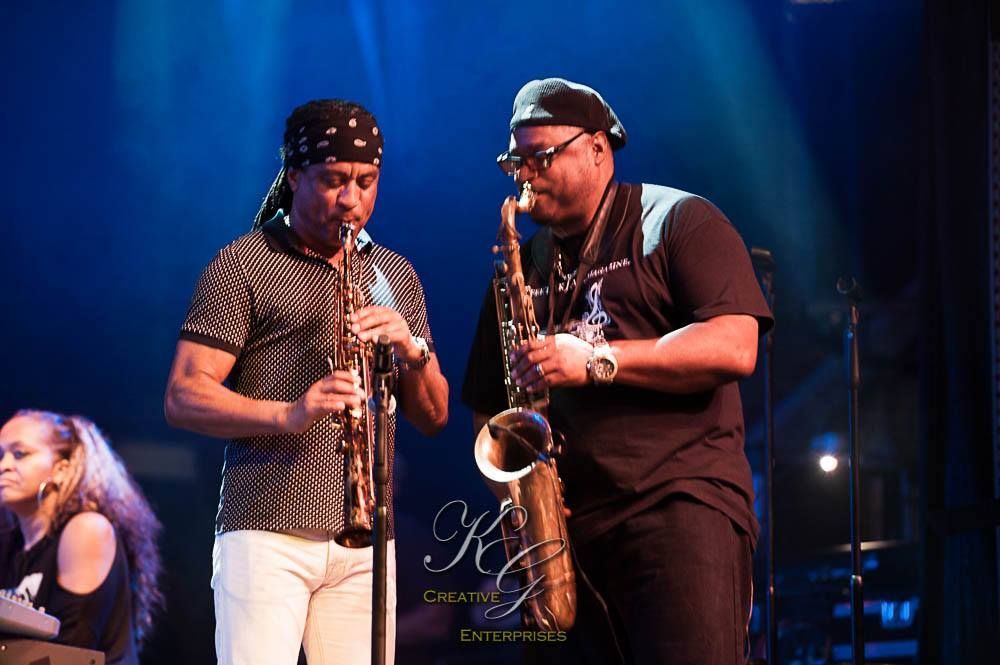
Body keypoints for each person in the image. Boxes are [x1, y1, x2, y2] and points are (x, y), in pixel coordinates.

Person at [462, 78, 774, 665]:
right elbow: (488, 409)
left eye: (541, 158)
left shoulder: (679, 220)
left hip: (678, 511)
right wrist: (527, 506)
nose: (525, 176)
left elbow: (736, 345)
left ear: (598, 149)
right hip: (564, 539)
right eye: (515, 162)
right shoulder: (518, 267)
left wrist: (598, 361)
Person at [164, 98, 449, 665]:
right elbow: (183, 396)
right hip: (266, 531)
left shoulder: (392, 273)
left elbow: (435, 416)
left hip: (366, 537)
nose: (352, 200)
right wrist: (288, 414)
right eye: (333, 181)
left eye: (367, 182)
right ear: (294, 176)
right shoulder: (242, 265)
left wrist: (410, 350)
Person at [0, 410, 163, 664]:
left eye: (20, 454)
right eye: (0, 455)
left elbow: (71, 649)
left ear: (61, 469)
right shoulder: (11, 546)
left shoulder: (86, 529)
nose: (4, 465)